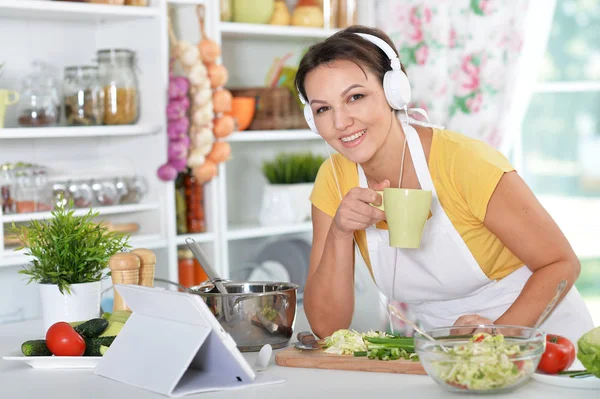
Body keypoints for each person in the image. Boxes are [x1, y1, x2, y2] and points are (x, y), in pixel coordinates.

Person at [295, 25, 595, 347]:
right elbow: (327, 326)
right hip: (448, 349)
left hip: (542, 340)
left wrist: (496, 337)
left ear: (394, 92)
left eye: (355, 97)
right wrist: (340, 232)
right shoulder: (334, 179)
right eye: (323, 109)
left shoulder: (463, 161)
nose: (340, 123)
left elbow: (562, 264)